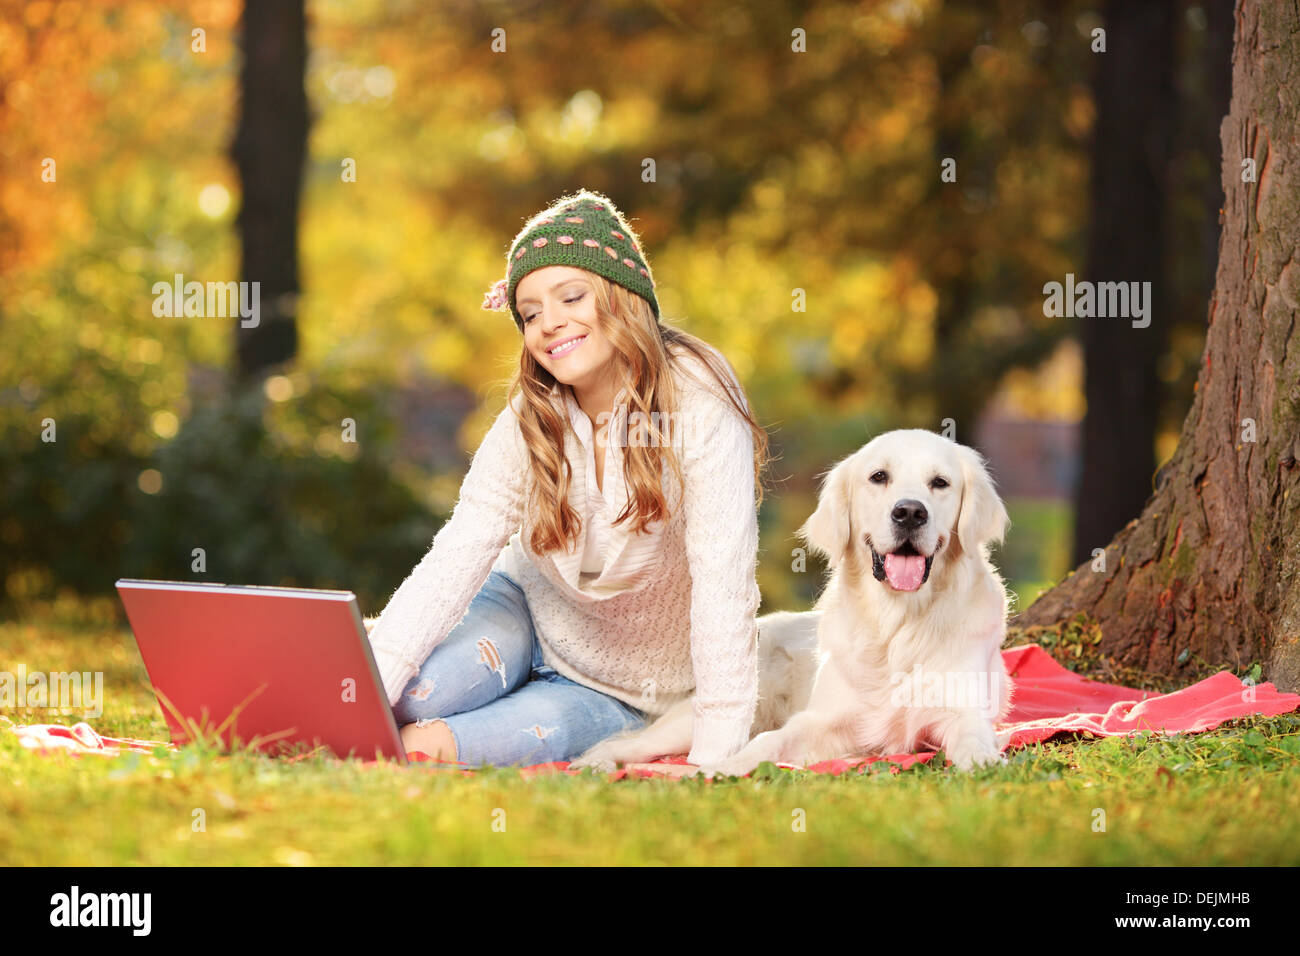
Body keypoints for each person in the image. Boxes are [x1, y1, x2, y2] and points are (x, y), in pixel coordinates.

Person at [364, 188, 771, 769]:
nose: (549, 323)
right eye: (530, 313)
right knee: (407, 697)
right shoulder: (533, 416)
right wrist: (365, 683)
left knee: (420, 748)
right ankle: (336, 659)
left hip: (622, 691)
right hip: (523, 611)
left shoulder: (700, 402)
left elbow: (724, 582)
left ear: (622, 298)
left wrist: (717, 760)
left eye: (571, 297)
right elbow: (458, 550)